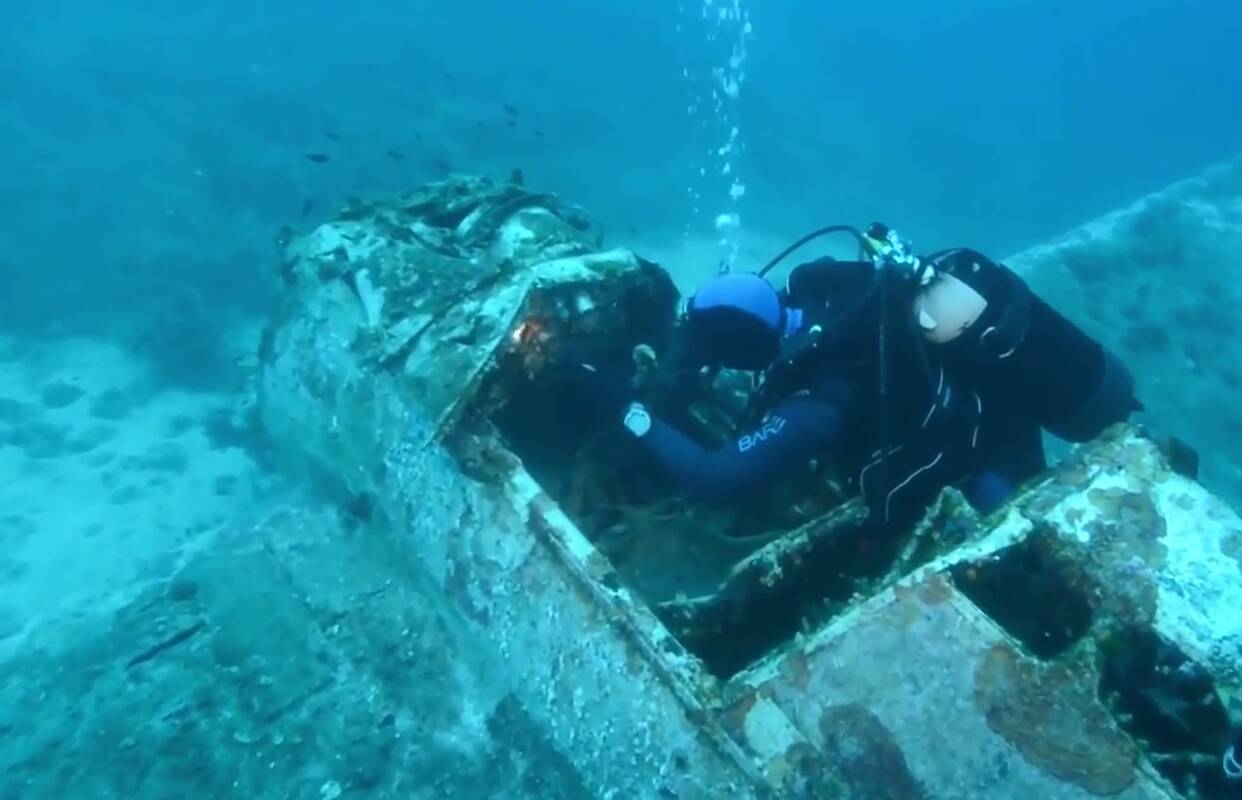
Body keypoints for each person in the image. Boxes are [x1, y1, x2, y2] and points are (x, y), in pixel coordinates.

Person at [564, 223, 1140, 532]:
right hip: (994, 409)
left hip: (982, 462)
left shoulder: (817, 401)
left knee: (1020, 534)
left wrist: (625, 407)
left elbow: (713, 480)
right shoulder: (825, 289)